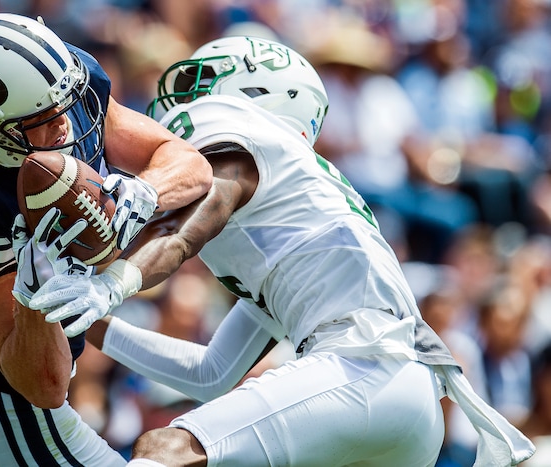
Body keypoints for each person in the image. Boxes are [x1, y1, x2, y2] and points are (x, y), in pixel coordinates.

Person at [30, 35, 536, 466]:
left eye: (203, 83)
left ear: (255, 94)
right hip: (409, 403)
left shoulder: (237, 132)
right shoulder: (290, 217)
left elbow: (184, 234)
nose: (182, 103)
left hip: (362, 365)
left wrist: (111, 284)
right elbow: (209, 375)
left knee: (168, 445)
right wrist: (84, 316)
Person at [0, 13, 212, 467]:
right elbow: (41, 385)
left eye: (63, 105)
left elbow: (188, 164)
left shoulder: (57, 82)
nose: (65, 123)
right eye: (41, 120)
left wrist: (141, 194)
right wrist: (34, 292)